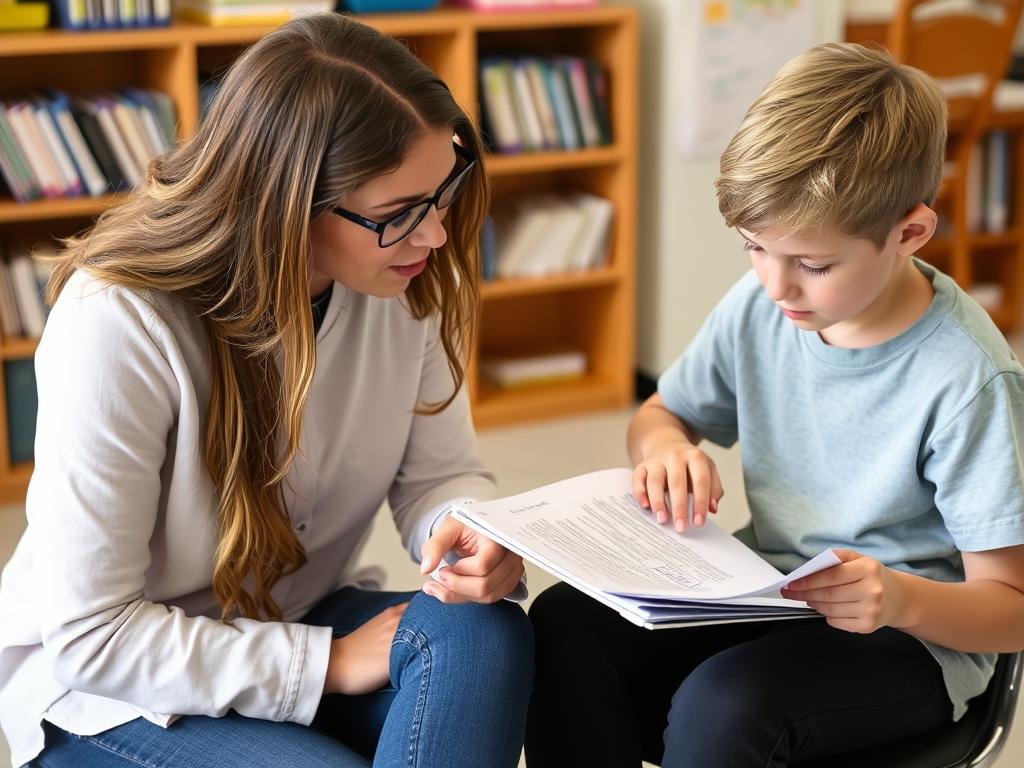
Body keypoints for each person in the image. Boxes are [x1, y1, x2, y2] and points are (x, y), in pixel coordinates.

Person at [0, 13, 533, 768]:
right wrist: (328, 664)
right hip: (112, 688)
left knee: (483, 629)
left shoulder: (402, 278)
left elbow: (437, 476)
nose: (436, 235)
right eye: (398, 215)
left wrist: (468, 527)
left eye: (443, 191)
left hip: (297, 613)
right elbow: (93, 635)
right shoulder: (117, 318)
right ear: (287, 203)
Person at [526, 42, 1024, 767]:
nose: (776, 285)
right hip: (770, 590)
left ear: (910, 233)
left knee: (726, 708)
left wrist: (899, 600)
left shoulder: (968, 377)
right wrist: (665, 449)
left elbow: (1012, 608)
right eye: (754, 248)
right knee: (565, 623)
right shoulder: (762, 306)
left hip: (911, 636)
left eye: (814, 264)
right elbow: (661, 414)